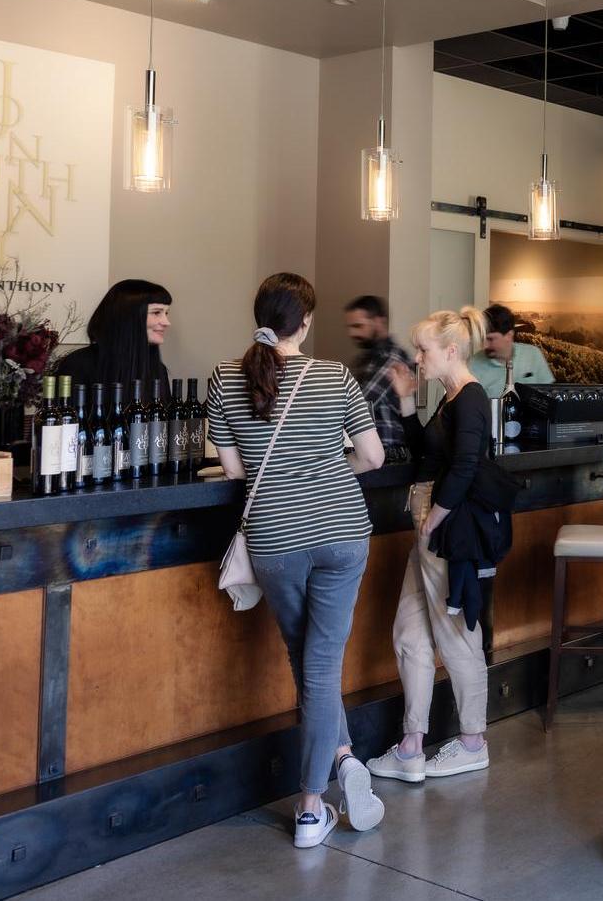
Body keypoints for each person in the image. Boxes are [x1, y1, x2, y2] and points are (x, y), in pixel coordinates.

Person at [205, 273, 388, 849]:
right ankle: (319, 794)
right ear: (305, 322)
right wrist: (330, 471)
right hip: (342, 531)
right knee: (321, 663)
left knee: (306, 657)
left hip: (275, 540)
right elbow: (373, 455)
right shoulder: (335, 375)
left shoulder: (224, 378)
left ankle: (332, 773)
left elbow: (233, 471)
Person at [364, 307, 501, 785]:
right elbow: (427, 451)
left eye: (422, 350)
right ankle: (411, 745)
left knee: (455, 632)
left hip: (444, 527)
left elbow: (464, 467)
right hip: (429, 525)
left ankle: (471, 741)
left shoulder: (471, 398)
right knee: (409, 633)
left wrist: (432, 521)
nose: (416, 358)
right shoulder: (449, 399)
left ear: (450, 351)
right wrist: (405, 401)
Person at [55, 279, 173, 392]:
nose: (166, 322)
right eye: (156, 312)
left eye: (166, 313)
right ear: (128, 317)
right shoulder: (78, 364)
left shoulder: (157, 369)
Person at [343, 295, 416, 463]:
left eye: (358, 326)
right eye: (350, 327)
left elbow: (359, 404)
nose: (352, 333)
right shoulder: (365, 360)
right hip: (369, 454)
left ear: (379, 322)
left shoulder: (393, 359)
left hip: (389, 455)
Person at [471, 304, 555, 399]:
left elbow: (550, 395)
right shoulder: (472, 366)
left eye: (490, 339)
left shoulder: (533, 355)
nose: (484, 345)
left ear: (509, 335)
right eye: (483, 339)